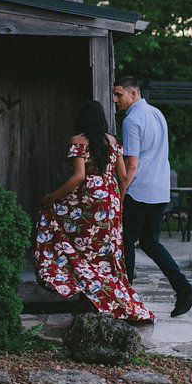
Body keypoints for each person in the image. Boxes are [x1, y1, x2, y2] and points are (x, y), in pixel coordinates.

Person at [33, 99, 154, 323]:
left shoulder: (78, 140)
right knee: (105, 255)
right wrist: (118, 199)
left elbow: (79, 177)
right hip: (110, 201)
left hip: (87, 202)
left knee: (77, 246)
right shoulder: (113, 142)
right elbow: (124, 176)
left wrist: (51, 197)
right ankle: (97, 302)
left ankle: (85, 297)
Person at [113, 76, 192, 317]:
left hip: (139, 191)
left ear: (133, 94)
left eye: (119, 95)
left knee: (125, 241)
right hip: (160, 189)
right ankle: (183, 288)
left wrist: (120, 193)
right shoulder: (157, 113)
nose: (115, 100)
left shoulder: (132, 120)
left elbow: (131, 164)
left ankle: (125, 299)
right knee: (150, 242)